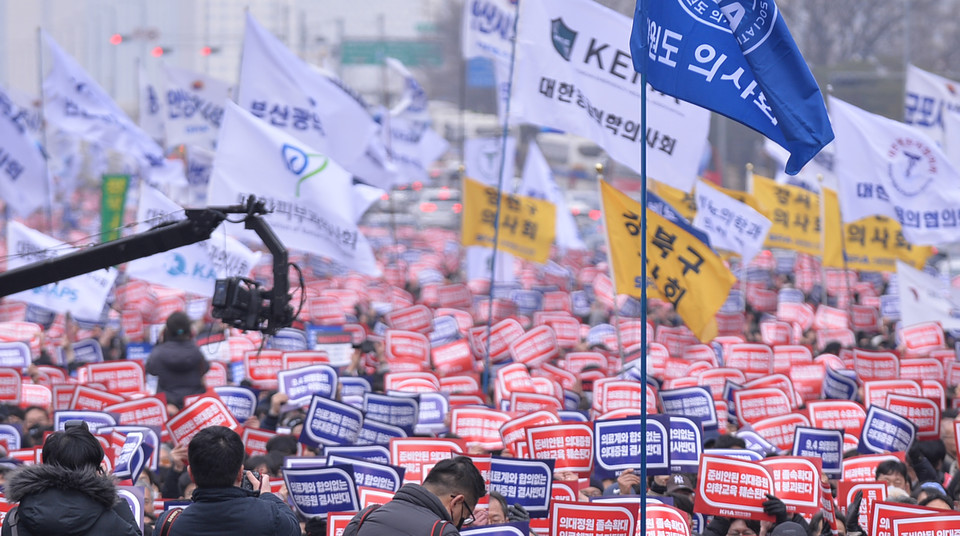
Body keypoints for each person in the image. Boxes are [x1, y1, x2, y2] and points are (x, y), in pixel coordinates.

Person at [151, 426, 299, 536]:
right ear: (241, 473)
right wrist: (268, 495)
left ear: (191, 474)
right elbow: (294, 529)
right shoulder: (268, 516)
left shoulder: (169, 524)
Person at [2, 420, 141, 536]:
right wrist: (111, 495)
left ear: (46, 465)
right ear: (95, 470)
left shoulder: (14, 520)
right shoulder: (111, 522)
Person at [343, 455, 486, 536]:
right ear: (457, 502)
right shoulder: (443, 533)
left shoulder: (365, 517)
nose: (460, 524)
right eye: (465, 518)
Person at [146, 311, 209, 410]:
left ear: (167, 331)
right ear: (189, 330)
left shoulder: (158, 353)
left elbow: (151, 370)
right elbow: (205, 368)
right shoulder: (196, 351)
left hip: (169, 405)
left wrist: (160, 342)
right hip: (194, 405)